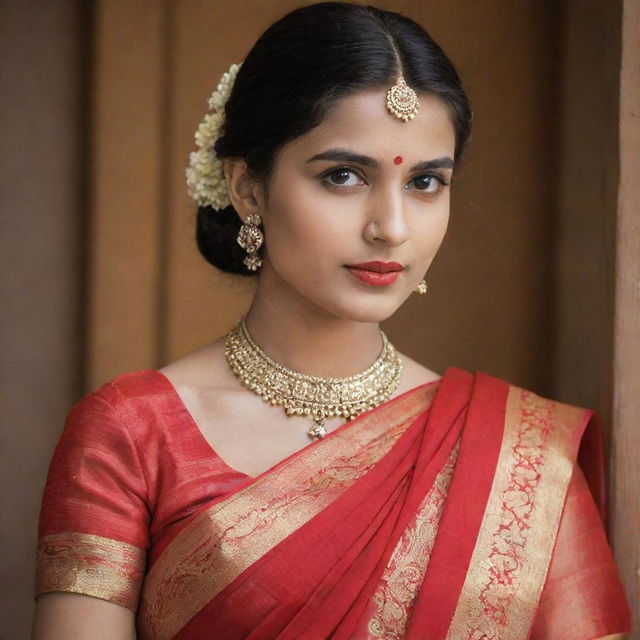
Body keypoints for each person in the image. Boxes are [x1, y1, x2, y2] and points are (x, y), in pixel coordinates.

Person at [32, 3, 631, 639]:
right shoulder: (130, 435)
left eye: (426, 182)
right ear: (248, 189)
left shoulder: (522, 457)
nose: (392, 228)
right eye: (343, 176)